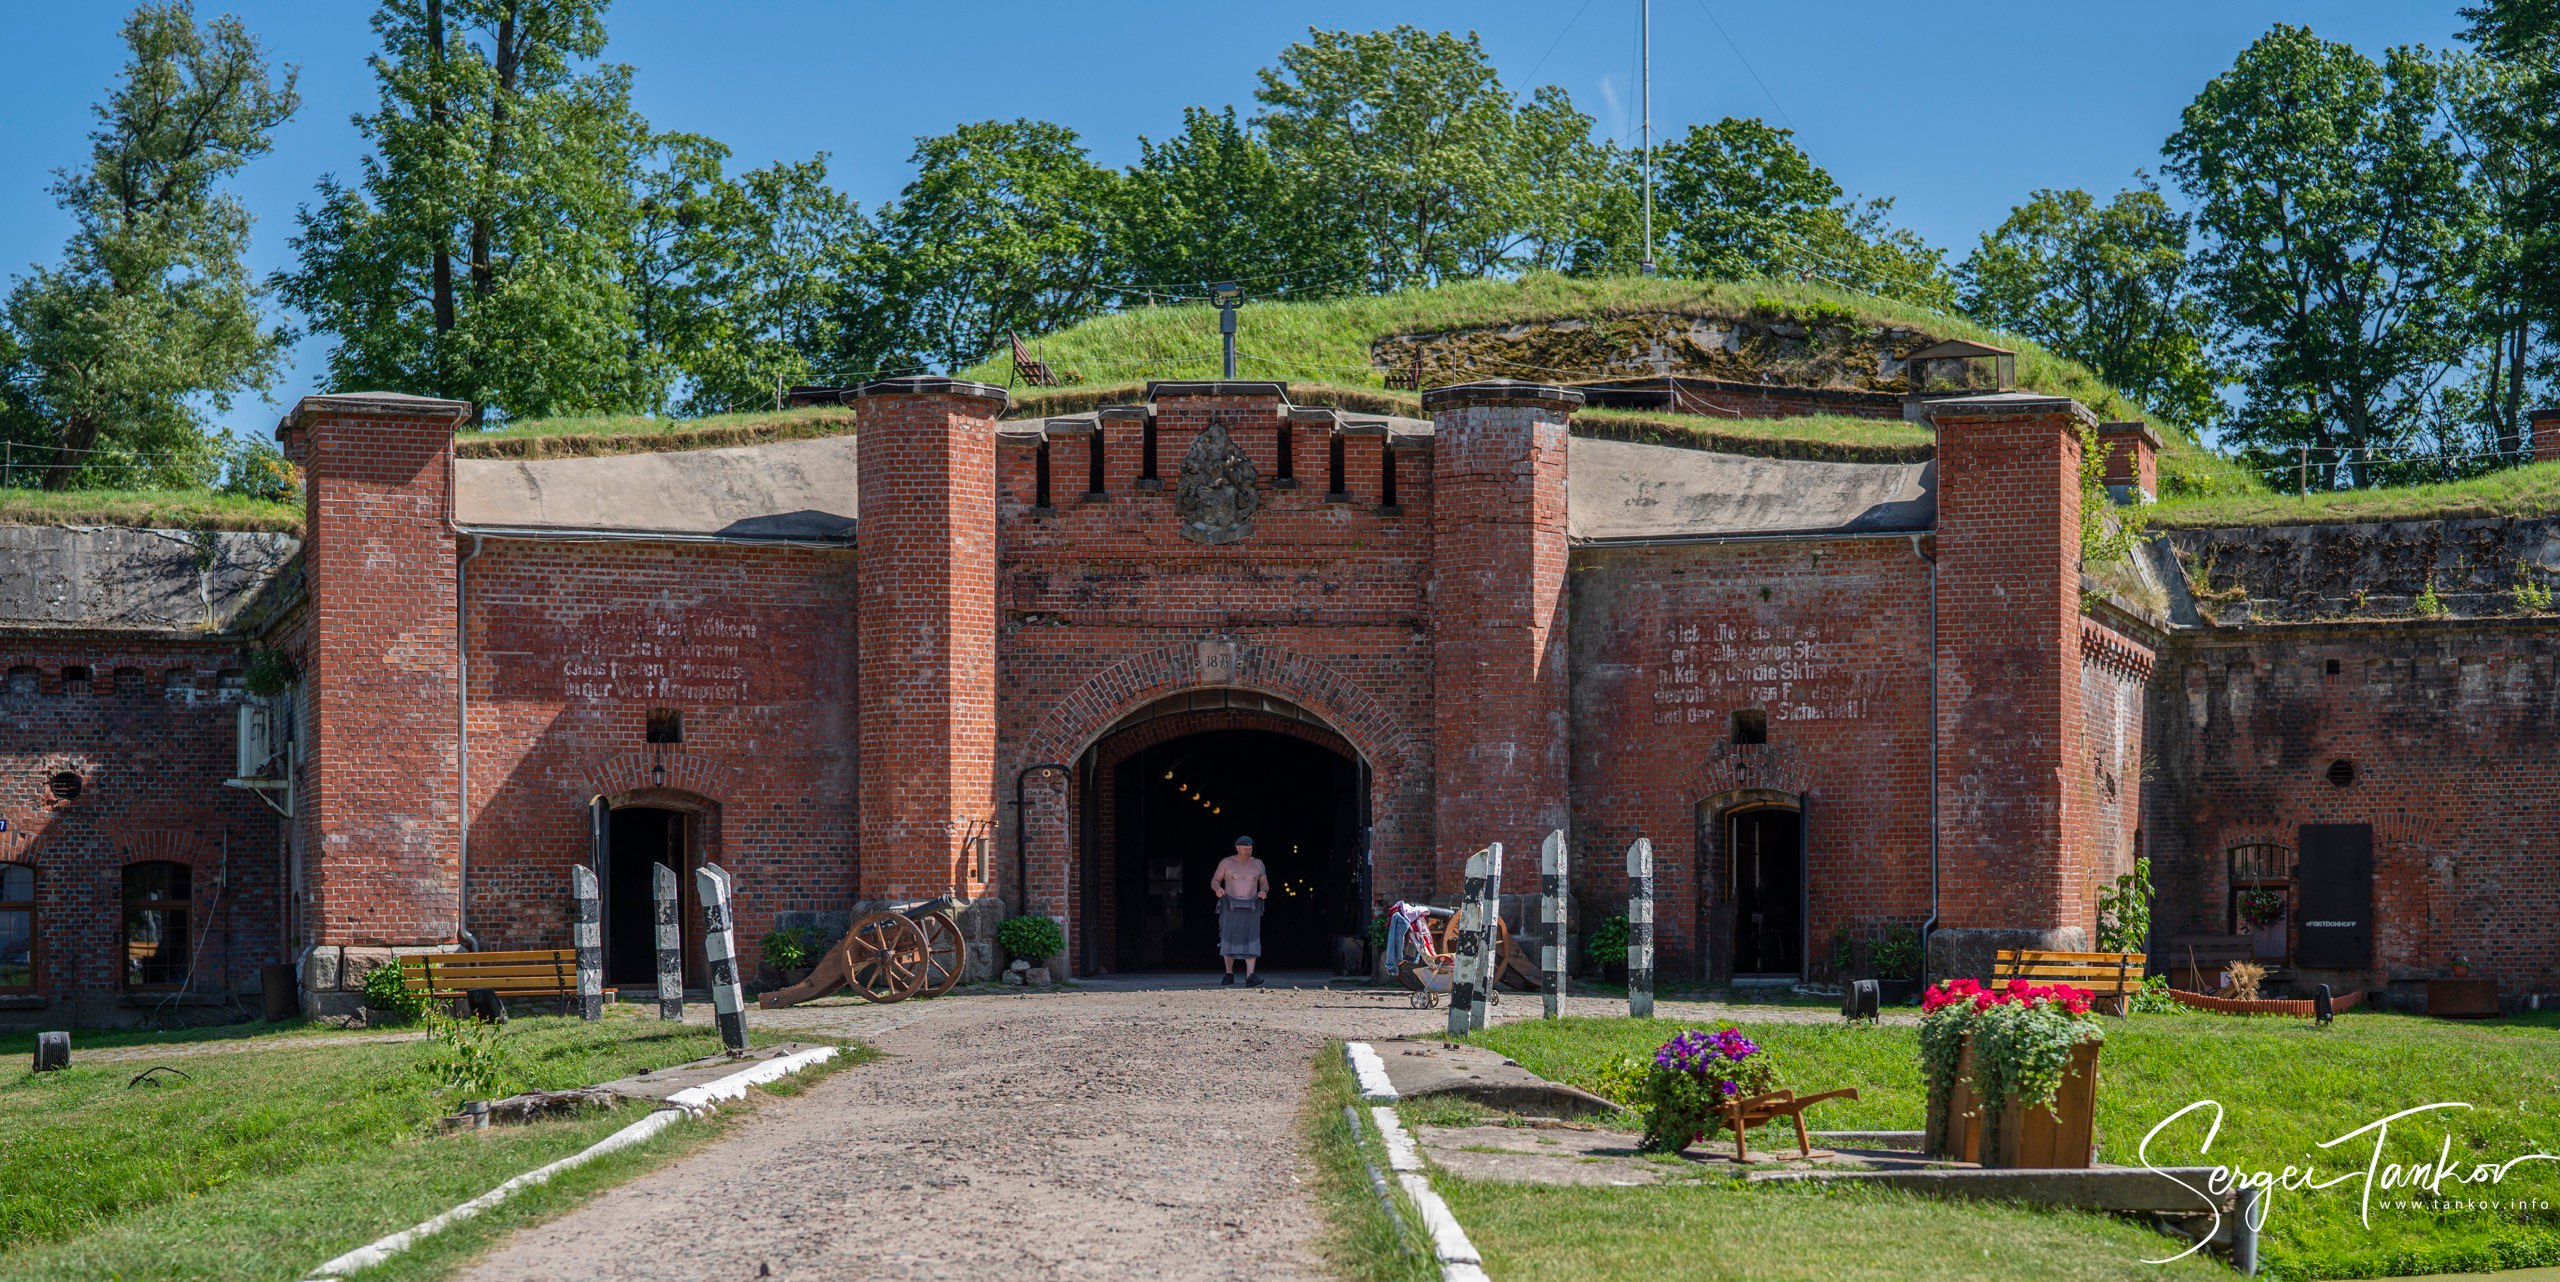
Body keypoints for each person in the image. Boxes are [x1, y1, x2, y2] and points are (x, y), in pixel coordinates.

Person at [1209, 835, 1268, 986]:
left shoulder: (1258, 863)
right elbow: (1215, 880)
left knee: (1252, 937)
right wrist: (1218, 888)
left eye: (1249, 849)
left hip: (1252, 904)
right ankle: (1229, 973)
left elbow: (1264, 883)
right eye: (1244, 849)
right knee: (1228, 937)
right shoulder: (1227, 862)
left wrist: (1264, 892)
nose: (1247, 852)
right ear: (1237, 848)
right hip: (1230, 902)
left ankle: (1250, 976)